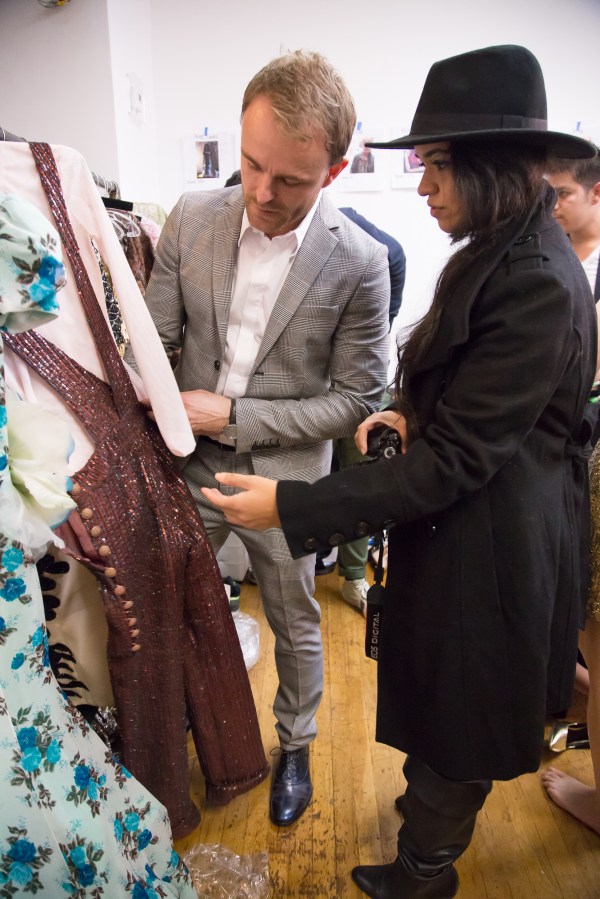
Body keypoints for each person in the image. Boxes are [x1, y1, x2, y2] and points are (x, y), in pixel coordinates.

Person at [200, 44, 598, 897]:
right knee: (444, 699)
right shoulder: (497, 250)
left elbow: (461, 458)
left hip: (498, 547)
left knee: (463, 716)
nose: (423, 187)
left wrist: (297, 505)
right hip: (468, 528)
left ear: (489, 166)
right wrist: (406, 411)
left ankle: (425, 872)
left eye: (437, 167)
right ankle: (425, 838)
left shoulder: (535, 281)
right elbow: (463, 392)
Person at [143, 50, 390, 828]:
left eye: (291, 180)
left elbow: (360, 396)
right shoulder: (190, 216)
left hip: (289, 480)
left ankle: (297, 745)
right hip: (190, 463)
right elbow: (152, 337)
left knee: (294, 618)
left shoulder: (361, 262)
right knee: (163, 600)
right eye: (251, 166)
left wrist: (235, 417)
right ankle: (173, 733)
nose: (261, 193)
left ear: (336, 169)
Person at [318, 207, 406, 612]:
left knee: (360, 475)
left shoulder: (383, 254)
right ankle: (318, 554)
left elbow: (376, 339)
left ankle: (354, 576)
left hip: (360, 384)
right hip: (306, 383)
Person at [545, 151, 600, 299]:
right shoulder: (544, 249)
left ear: (596, 193)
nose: (553, 205)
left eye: (563, 193)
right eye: (549, 195)